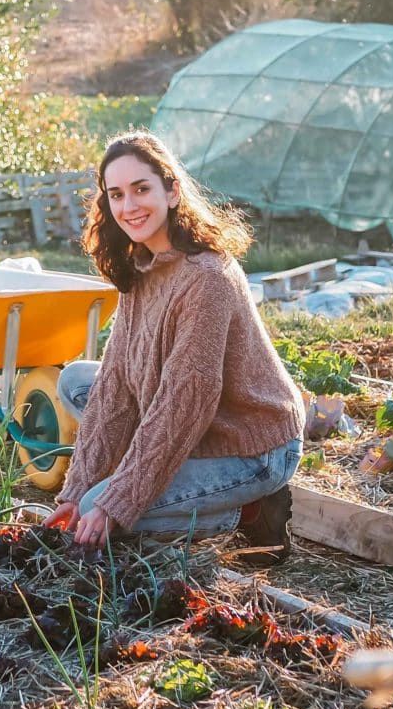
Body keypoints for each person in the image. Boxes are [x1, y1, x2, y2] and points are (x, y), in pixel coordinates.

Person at [42, 131, 305, 562]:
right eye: (117, 194)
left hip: (250, 444)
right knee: (78, 382)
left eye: (142, 189)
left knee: (102, 508)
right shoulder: (141, 267)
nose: (129, 206)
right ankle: (144, 479)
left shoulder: (206, 277)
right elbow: (114, 386)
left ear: (173, 191)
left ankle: (250, 512)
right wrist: (74, 489)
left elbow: (187, 400)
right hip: (193, 422)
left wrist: (116, 499)